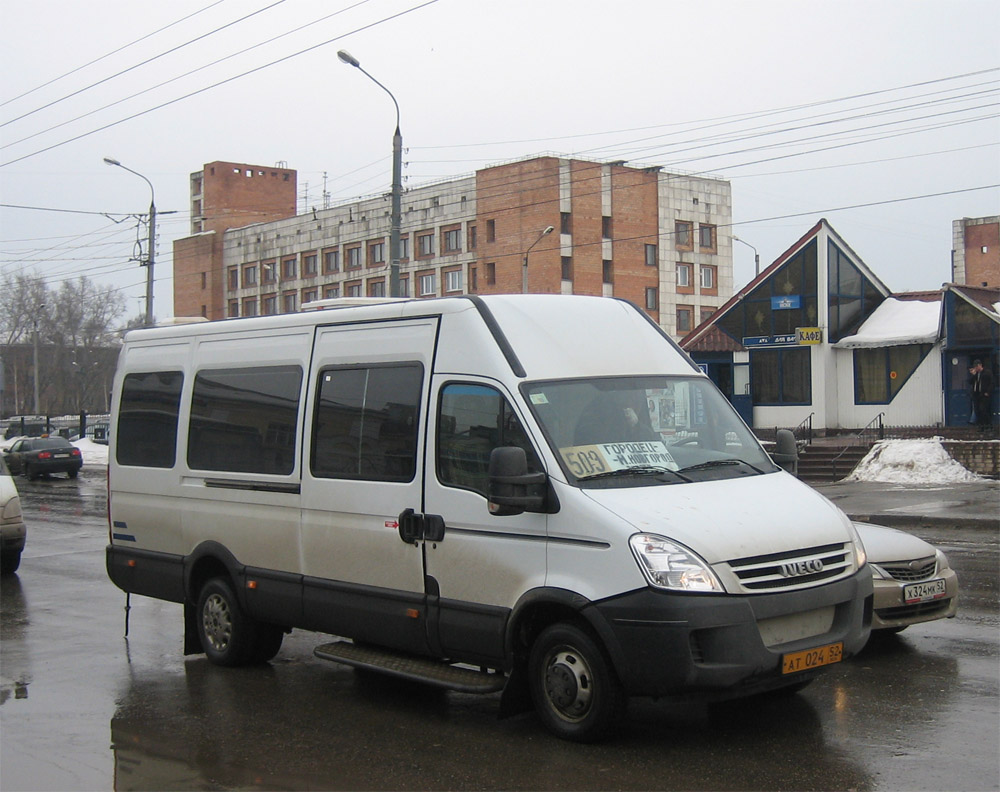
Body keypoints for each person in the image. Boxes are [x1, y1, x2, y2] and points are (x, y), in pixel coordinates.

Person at [968, 359, 993, 433]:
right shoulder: (976, 374)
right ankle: (981, 426)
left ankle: (988, 426)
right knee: (977, 411)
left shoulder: (987, 373)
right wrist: (974, 375)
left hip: (984, 394)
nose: (976, 368)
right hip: (976, 394)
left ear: (980, 365)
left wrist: (988, 392)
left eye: (976, 367)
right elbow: (970, 381)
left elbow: (992, 383)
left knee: (983, 410)